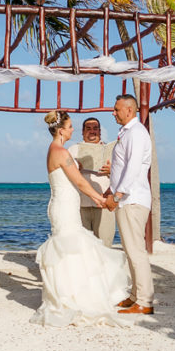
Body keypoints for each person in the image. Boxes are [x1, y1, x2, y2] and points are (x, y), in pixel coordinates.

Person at [31, 110, 131, 327]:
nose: (73, 129)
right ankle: (73, 297)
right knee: (71, 249)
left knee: (71, 252)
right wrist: (100, 199)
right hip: (64, 207)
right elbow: (81, 182)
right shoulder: (62, 152)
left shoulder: (56, 149)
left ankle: (71, 293)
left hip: (65, 204)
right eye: (69, 127)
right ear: (60, 130)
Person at [104, 94, 155, 315]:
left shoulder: (135, 133)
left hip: (132, 199)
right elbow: (122, 167)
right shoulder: (128, 132)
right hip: (127, 198)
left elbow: (133, 168)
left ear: (129, 110)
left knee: (136, 252)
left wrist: (116, 196)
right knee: (130, 249)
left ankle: (144, 301)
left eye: (116, 109)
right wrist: (112, 187)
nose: (113, 113)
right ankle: (136, 296)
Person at [67, 117, 117, 246]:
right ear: (83, 132)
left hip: (104, 203)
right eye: (88, 129)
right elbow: (64, 173)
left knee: (105, 244)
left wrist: (112, 170)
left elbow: (124, 176)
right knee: (83, 245)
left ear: (100, 132)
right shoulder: (73, 149)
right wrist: (75, 167)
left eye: (95, 128)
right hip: (81, 204)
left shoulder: (112, 151)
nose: (92, 131)